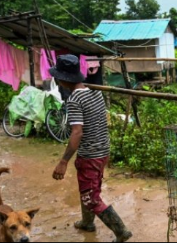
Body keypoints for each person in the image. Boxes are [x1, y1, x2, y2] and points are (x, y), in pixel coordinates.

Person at [50, 54, 132, 242]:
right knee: (88, 190)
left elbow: (77, 132)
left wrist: (63, 161)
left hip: (91, 155)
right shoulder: (95, 91)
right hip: (102, 151)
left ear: (62, 79)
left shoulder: (74, 100)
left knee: (92, 198)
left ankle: (121, 231)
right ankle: (87, 222)